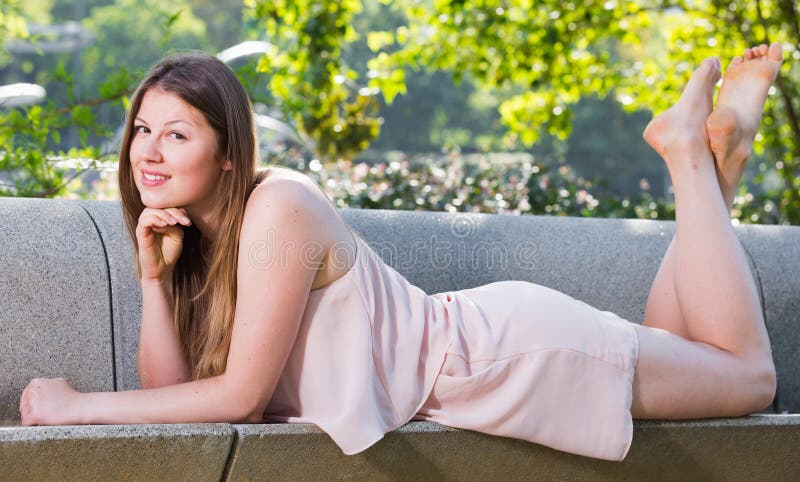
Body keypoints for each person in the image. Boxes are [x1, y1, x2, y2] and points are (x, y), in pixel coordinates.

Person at [19, 43, 784, 462]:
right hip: (485, 359)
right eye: (142, 130)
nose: (148, 152)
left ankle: (688, 155)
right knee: (694, 348)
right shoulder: (201, 241)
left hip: (505, 357)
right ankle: (717, 164)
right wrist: (154, 279)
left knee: (747, 377)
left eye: (177, 133)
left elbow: (238, 399)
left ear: (228, 154)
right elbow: (174, 396)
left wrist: (77, 409)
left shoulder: (279, 206)